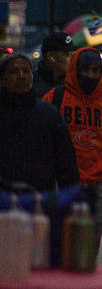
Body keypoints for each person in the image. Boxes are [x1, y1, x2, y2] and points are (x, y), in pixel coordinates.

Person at [43, 47, 102, 258]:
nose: (91, 75)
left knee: (88, 254)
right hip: (62, 183)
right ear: (76, 70)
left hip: (95, 187)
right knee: (58, 249)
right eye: (86, 70)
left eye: (96, 70)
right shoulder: (55, 98)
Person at [0, 53, 78, 191]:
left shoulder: (49, 115)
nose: (21, 76)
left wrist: (70, 196)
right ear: (3, 79)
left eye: (26, 71)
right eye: (14, 71)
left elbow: (65, 162)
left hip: (40, 200)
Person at [33, 31, 75, 98]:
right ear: (50, 57)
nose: (72, 59)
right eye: (67, 55)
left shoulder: (75, 82)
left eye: (73, 55)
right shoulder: (31, 83)